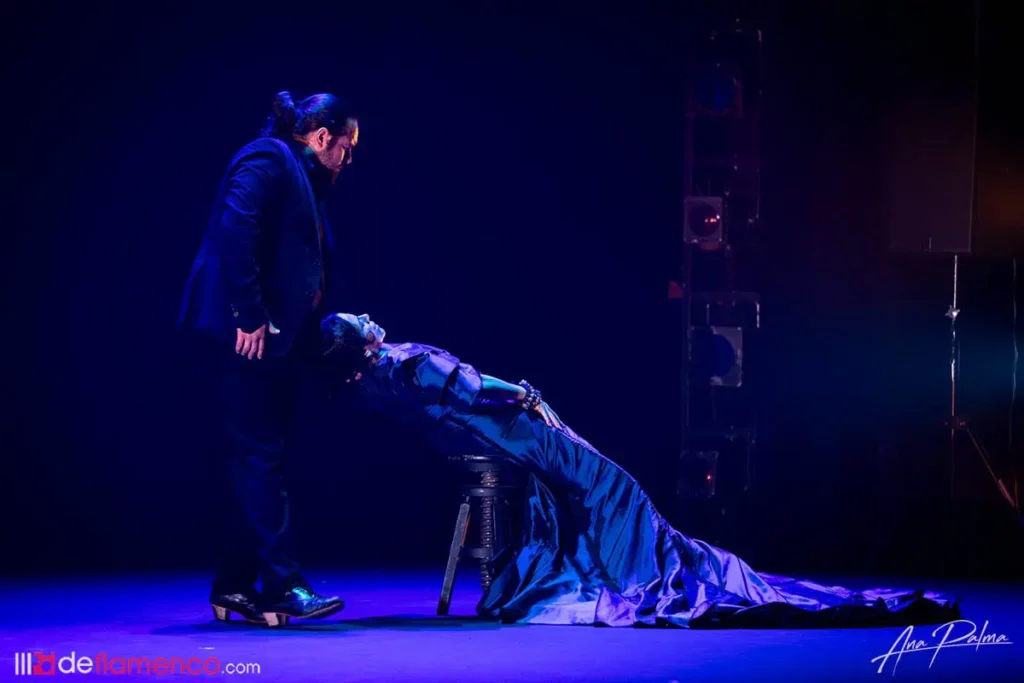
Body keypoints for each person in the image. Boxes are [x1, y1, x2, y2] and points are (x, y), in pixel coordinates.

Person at [320, 312, 960, 628]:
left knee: (599, 484)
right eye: (359, 321)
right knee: (614, 485)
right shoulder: (404, 362)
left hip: (479, 440)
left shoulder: (370, 387)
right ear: (360, 341)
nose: (370, 316)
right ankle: (646, 566)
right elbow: (469, 386)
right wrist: (522, 392)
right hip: (509, 432)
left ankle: (616, 557)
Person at [177, 91, 358, 627]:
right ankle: (282, 585)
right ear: (321, 137)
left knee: (261, 458)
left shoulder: (303, 178)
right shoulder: (269, 157)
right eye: (346, 147)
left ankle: (234, 585)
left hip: (270, 338)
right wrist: (248, 313)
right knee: (259, 455)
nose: (348, 160)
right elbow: (237, 228)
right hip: (242, 333)